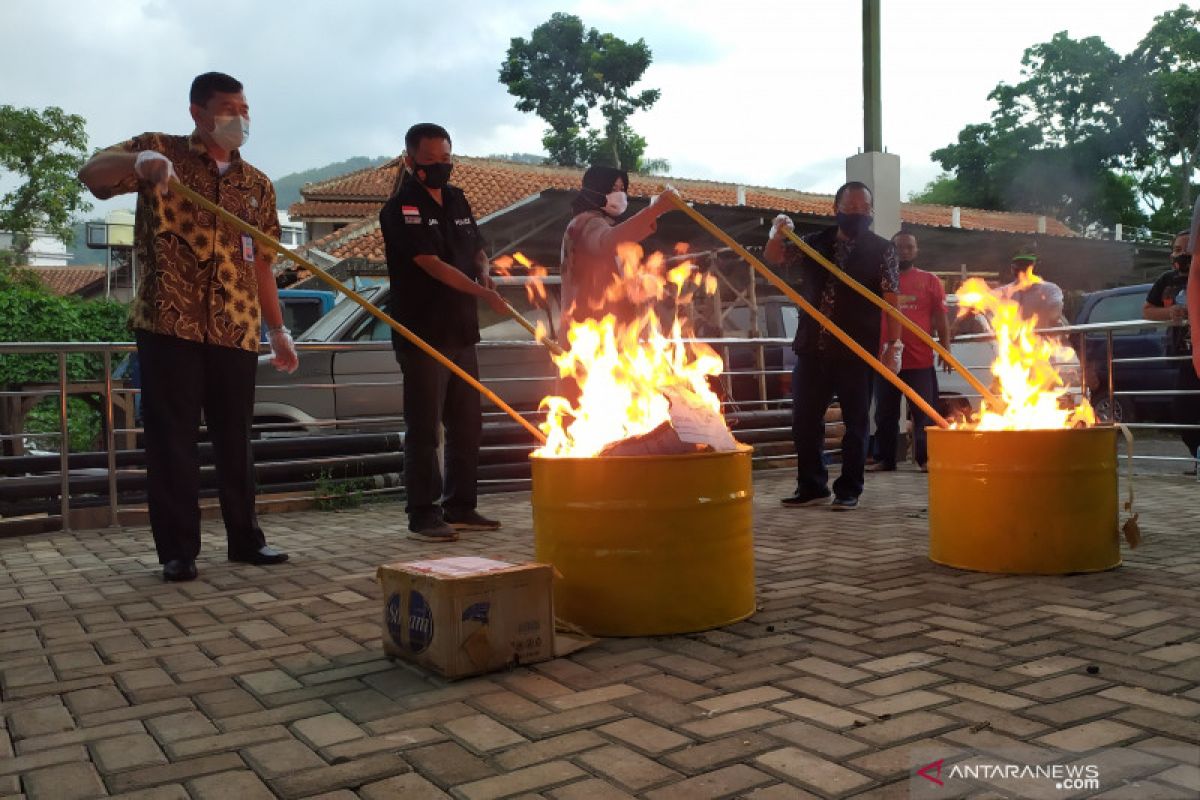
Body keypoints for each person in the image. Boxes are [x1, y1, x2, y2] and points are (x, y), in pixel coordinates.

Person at [78, 72, 298, 582]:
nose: (239, 118)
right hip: (168, 324)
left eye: (245, 108)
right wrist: (136, 164)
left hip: (235, 329)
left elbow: (261, 261)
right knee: (172, 441)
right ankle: (178, 551)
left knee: (235, 440)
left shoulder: (257, 184)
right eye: (227, 107)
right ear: (198, 111)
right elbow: (91, 173)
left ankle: (246, 539)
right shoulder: (160, 152)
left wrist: (278, 329)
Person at [379, 123, 510, 542]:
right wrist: (481, 293)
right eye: (431, 160)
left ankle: (461, 505)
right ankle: (423, 512)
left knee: (467, 423)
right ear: (410, 160)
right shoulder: (400, 208)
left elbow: (476, 246)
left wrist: (485, 272)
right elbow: (431, 264)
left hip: (462, 332)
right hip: (423, 333)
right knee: (424, 427)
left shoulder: (456, 198)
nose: (441, 167)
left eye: (446, 159)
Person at [764, 181, 901, 511]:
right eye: (850, 207)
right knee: (805, 419)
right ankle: (811, 484)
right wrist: (778, 232)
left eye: (863, 208)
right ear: (835, 209)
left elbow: (891, 301)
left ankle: (849, 488)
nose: (857, 213)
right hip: (812, 347)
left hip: (856, 349)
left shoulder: (882, 249)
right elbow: (774, 259)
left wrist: (893, 345)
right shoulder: (814, 242)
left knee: (855, 422)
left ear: (871, 212)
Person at [559, 166, 679, 339]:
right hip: (593, 335)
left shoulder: (584, 223)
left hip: (593, 333)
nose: (619, 195)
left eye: (622, 190)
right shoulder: (587, 223)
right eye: (613, 189)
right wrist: (655, 210)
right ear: (596, 190)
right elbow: (608, 242)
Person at [868, 232, 950, 472]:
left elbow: (941, 318)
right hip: (886, 360)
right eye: (898, 247)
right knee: (885, 412)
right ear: (890, 250)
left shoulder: (930, 280)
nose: (904, 251)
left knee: (924, 413)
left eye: (909, 247)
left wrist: (945, 349)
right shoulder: (878, 281)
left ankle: (925, 459)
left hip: (920, 359)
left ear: (916, 251)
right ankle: (885, 459)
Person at [1148, 231, 1200, 465]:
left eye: (1184, 249)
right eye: (1176, 249)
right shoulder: (1167, 280)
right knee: (1183, 412)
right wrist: (1169, 313)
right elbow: (1147, 310)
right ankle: (1197, 453)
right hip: (1183, 358)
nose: (1178, 254)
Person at [998, 246, 1065, 327]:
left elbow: (1056, 311)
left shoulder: (1050, 289)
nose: (1022, 269)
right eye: (1019, 265)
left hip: (1039, 338)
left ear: (1033, 267)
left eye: (1026, 265)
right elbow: (986, 300)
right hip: (1009, 338)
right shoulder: (1005, 291)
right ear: (1012, 268)